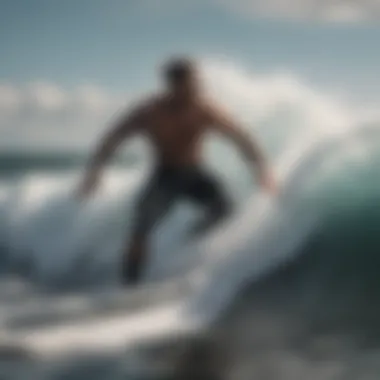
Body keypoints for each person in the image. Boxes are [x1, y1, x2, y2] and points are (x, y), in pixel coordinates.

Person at [78, 57, 276, 286]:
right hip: (165, 176)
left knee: (225, 209)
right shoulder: (150, 112)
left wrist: (261, 169)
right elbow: (113, 138)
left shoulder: (205, 110)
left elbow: (241, 137)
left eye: (197, 82)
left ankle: (189, 246)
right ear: (173, 84)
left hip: (195, 174)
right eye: (191, 83)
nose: (197, 87)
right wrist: (94, 173)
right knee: (140, 228)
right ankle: (129, 284)